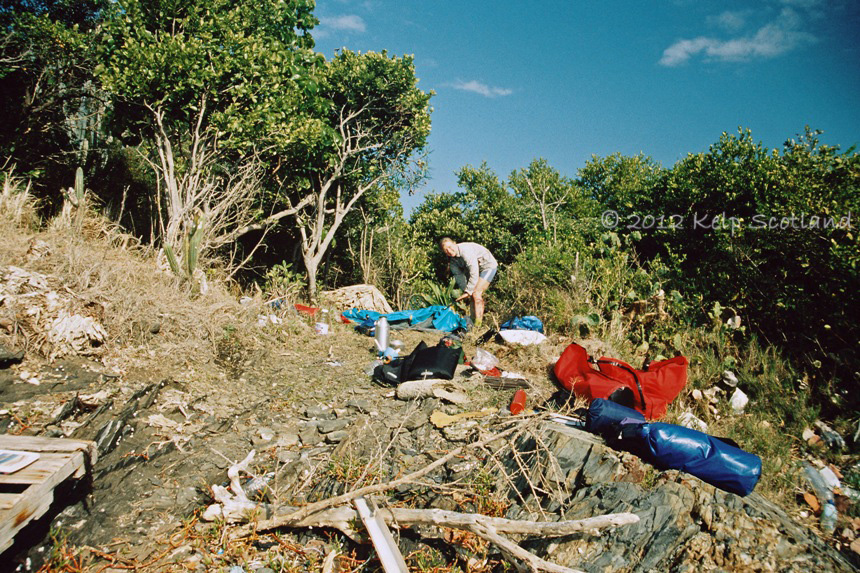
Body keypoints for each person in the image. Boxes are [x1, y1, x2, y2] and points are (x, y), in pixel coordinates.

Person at [439, 237, 498, 328]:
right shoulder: (453, 262)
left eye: (450, 247)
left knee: (476, 293)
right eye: (446, 250)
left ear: (454, 243)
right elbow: (459, 278)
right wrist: (466, 291)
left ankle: (478, 326)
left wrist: (469, 291)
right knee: (472, 296)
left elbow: (474, 271)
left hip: (487, 266)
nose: (449, 251)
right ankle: (472, 323)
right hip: (475, 270)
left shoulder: (465, 251)